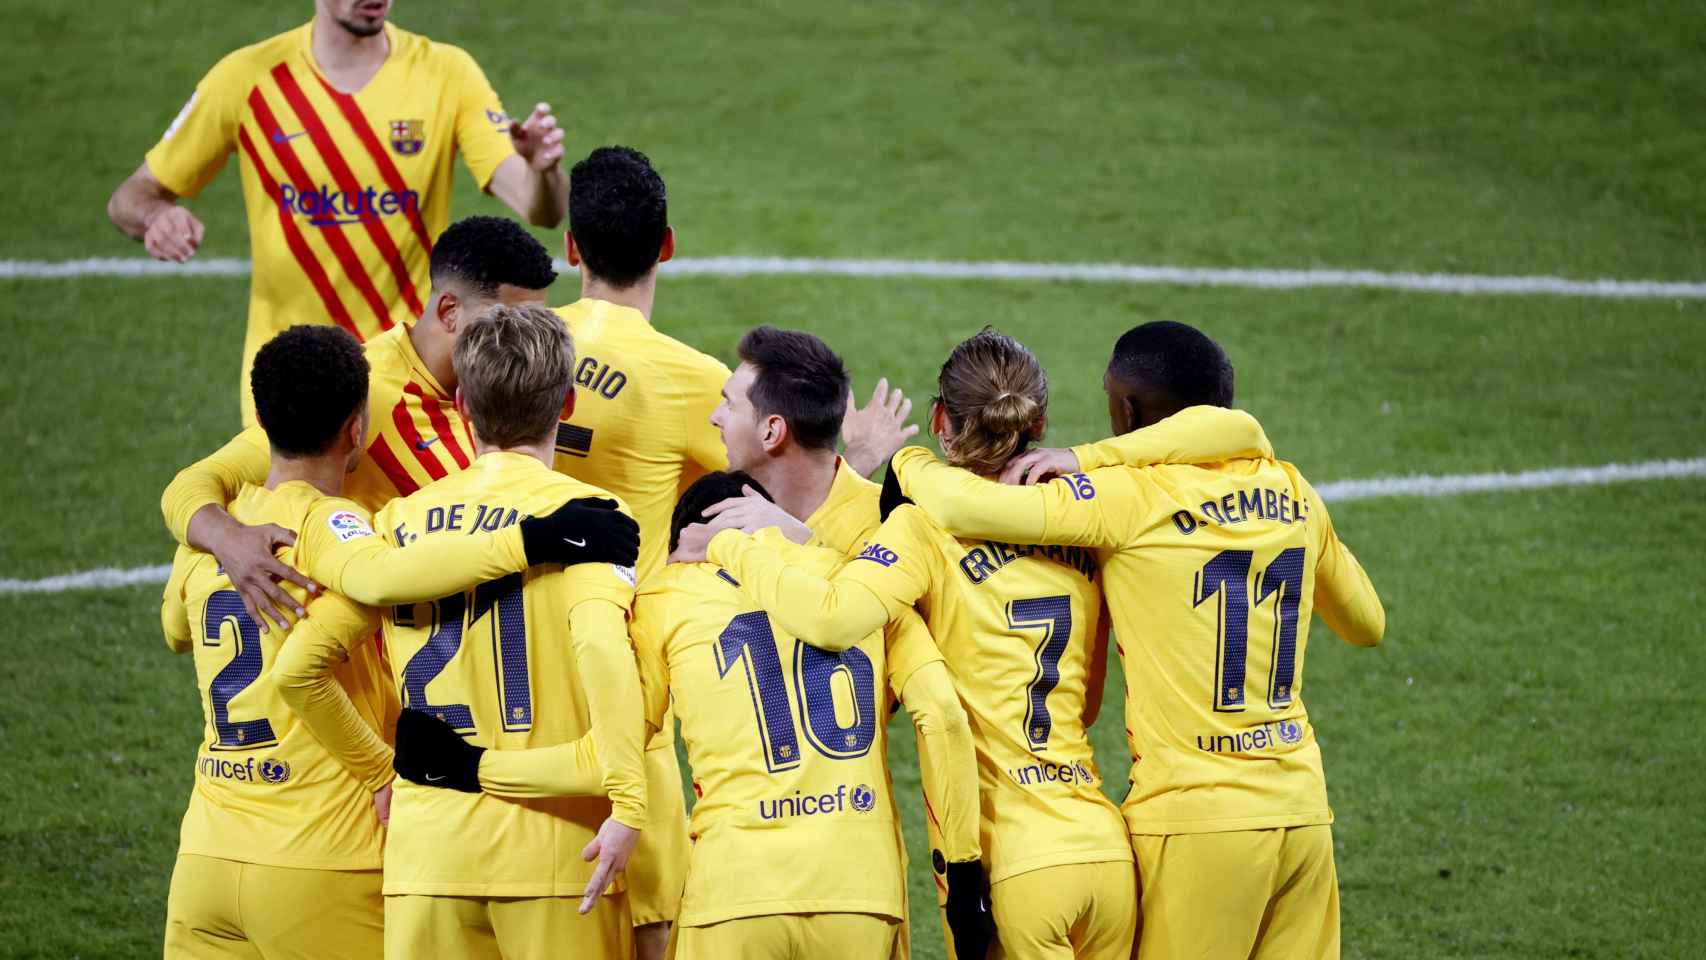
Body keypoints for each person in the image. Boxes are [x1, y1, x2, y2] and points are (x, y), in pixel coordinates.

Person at [887, 321, 1387, 960]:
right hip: (1304, 813)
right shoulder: (1291, 488)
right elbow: (1368, 624)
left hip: (1197, 823)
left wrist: (906, 460)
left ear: (1126, 409)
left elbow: (965, 507)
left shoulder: (1127, 499)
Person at [546, 147, 913, 955]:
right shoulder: (687, 380)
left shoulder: (515, 351)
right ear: (667, 245)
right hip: (636, 678)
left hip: (505, 687)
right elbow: (785, 481)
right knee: (652, 928)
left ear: (569, 247)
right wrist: (853, 455)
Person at [393, 471, 984, 960]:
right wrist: (961, 873)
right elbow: (944, 718)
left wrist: (473, 767)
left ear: (684, 545)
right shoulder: (865, 585)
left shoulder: (667, 598)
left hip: (735, 895)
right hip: (862, 895)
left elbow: (608, 756)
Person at [688, 329, 1140, 960]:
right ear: (1037, 423)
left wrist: (759, 537)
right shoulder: (1084, 525)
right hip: (1103, 843)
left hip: (1008, 856)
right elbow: (1088, 703)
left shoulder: (918, 527)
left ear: (939, 420)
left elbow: (836, 611)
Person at [107, 0, 570, 425]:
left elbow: (538, 207)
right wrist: (155, 217)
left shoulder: (445, 73)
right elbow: (131, 197)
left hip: (413, 378)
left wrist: (544, 172)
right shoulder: (248, 79)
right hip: (290, 379)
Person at [369, 303, 650, 957]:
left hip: (427, 858)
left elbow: (309, 662)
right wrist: (630, 802)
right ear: (569, 402)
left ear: (463, 403)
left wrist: (375, 770)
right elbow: (602, 649)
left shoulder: (398, 524)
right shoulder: (591, 515)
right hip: (556, 858)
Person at [159, 214, 557, 632]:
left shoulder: (518, 383)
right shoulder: (360, 391)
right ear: (450, 311)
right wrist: (230, 542)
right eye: (509, 320)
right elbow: (192, 485)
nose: (525, 337)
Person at [157, 324, 394, 959]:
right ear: (356, 429)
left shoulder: (214, 538)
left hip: (206, 857)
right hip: (324, 862)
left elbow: (175, 631)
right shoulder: (340, 533)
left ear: (259, 419)